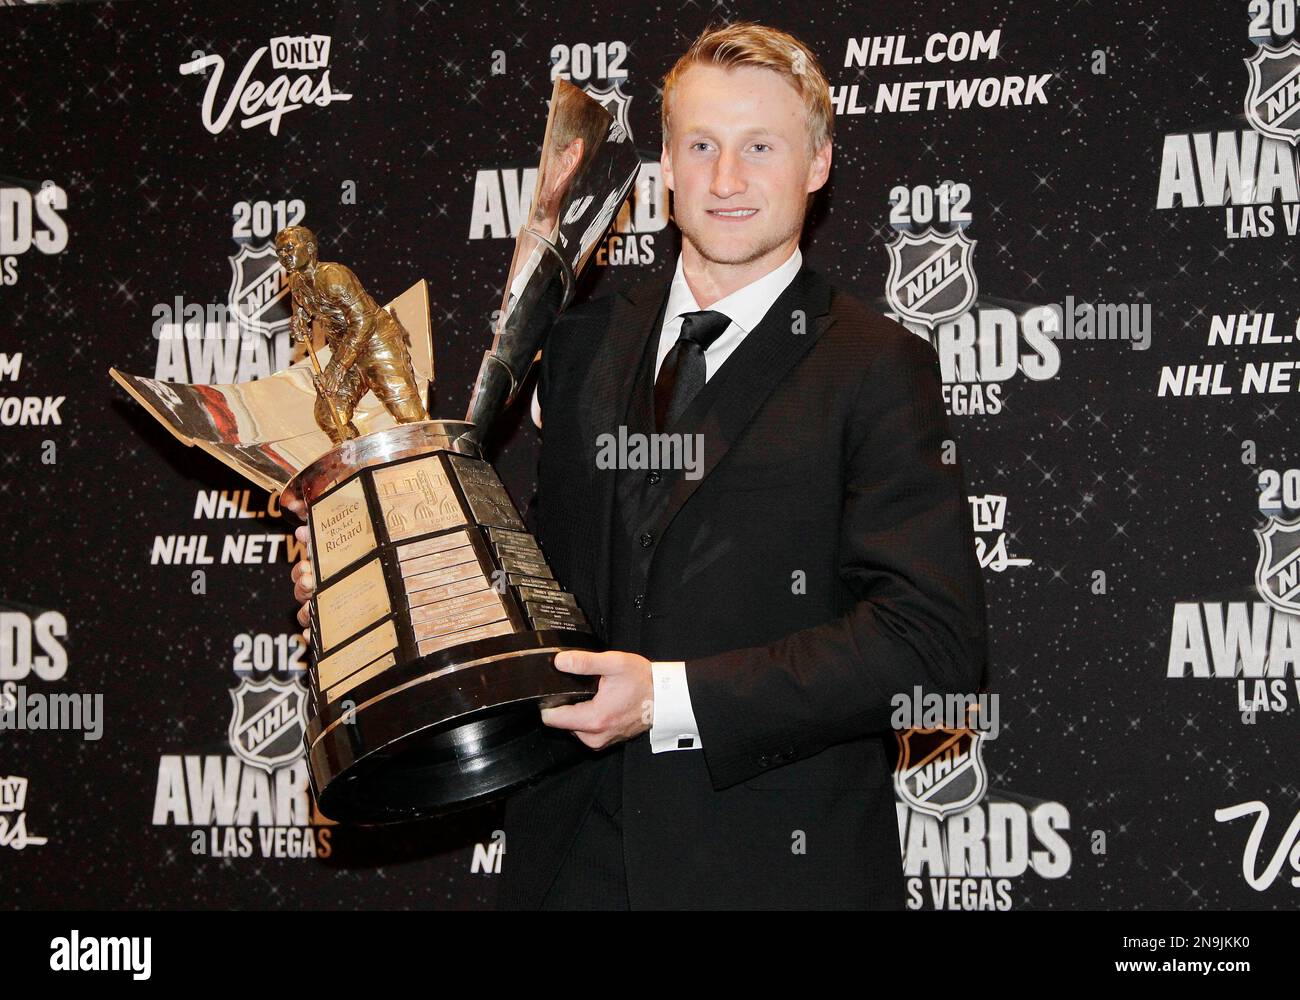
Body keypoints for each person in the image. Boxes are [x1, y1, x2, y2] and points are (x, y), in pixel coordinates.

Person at [292, 21, 988, 909]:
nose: (726, 180)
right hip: (567, 862)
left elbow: (932, 648)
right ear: (664, 161)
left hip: (771, 874)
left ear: (817, 163)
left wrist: (669, 699)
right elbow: (544, 588)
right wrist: (379, 579)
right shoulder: (580, 337)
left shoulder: (873, 365)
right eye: (700, 145)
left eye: (759, 147)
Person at [274, 225, 426, 442]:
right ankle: (357, 463)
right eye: (279, 253)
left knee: (409, 417)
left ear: (308, 248)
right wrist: (299, 319)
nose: (284, 256)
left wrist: (337, 367)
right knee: (330, 415)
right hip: (345, 351)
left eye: (289, 249)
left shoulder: (334, 276)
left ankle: (431, 459)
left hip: (376, 344)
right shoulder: (297, 280)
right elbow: (299, 303)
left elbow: (363, 321)